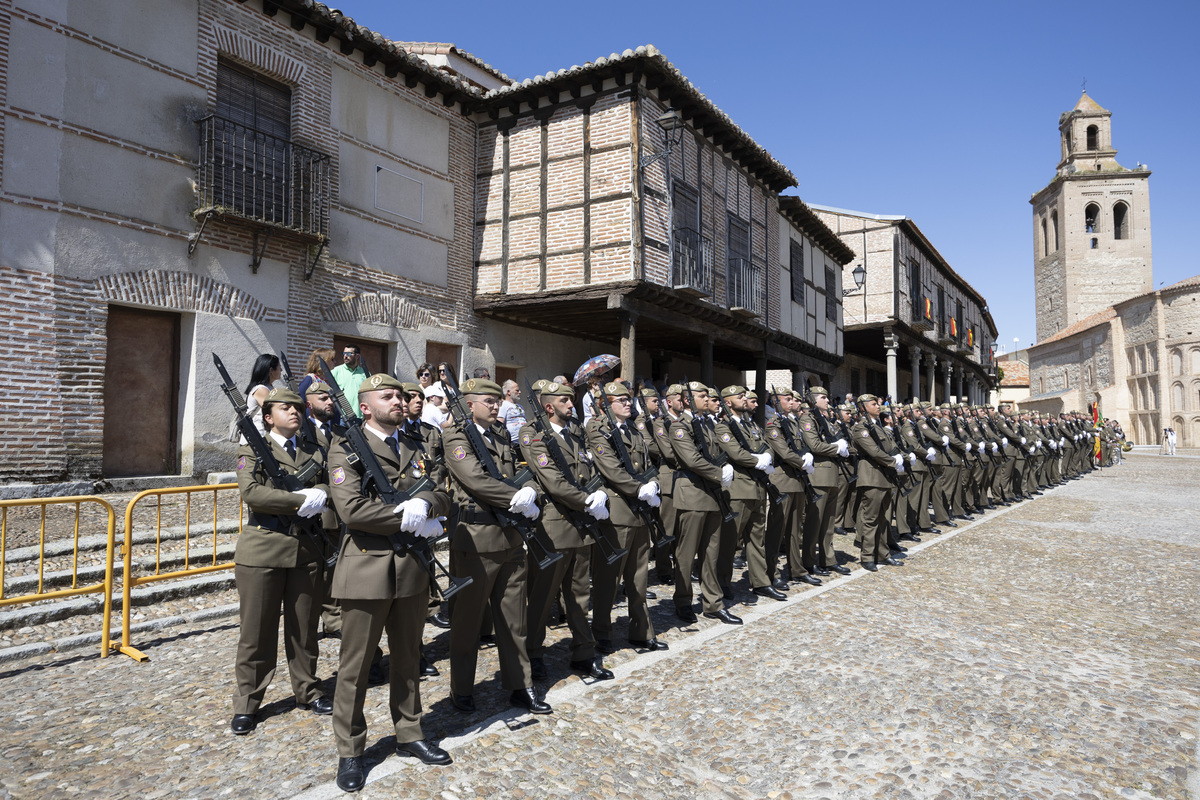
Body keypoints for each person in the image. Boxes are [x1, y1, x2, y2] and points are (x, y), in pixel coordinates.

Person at [325, 373, 453, 792]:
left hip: (412, 568)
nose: (399, 401)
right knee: (356, 667)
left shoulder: (415, 445)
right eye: (388, 396)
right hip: (366, 568)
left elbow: (441, 489)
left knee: (408, 659)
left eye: (401, 395)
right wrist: (406, 517)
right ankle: (351, 751)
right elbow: (352, 510)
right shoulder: (344, 448)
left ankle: (410, 733)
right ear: (365, 407)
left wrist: (426, 505)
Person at [442, 378, 551, 716]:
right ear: (469, 404)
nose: (494, 405)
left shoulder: (502, 435)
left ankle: (520, 685)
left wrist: (532, 491)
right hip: (476, 539)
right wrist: (514, 497)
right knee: (468, 622)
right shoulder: (456, 436)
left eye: (496, 400)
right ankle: (461, 688)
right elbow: (473, 478)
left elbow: (526, 470)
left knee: (513, 620)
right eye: (487, 400)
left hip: (511, 538)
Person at [231, 387, 332, 736]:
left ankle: (308, 689)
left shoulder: (314, 450)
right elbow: (252, 493)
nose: (293, 411)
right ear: (269, 416)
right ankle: (248, 702)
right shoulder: (253, 450)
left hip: (306, 550)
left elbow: (334, 485)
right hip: (263, 549)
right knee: (256, 632)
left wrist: (323, 494)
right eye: (283, 407)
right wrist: (296, 499)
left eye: (296, 407)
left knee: (304, 629)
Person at [242, 354, 282, 443]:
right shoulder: (261, 389)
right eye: (279, 367)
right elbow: (273, 410)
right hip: (256, 439)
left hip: (263, 437)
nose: (281, 370)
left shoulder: (269, 387)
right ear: (271, 370)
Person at [331, 346, 369, 419]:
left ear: (357, 356)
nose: (345, 356)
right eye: (344, 353)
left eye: (348, 353)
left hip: (361, 417)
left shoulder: (365, 373)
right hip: (341, 417)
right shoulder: (336, 371)